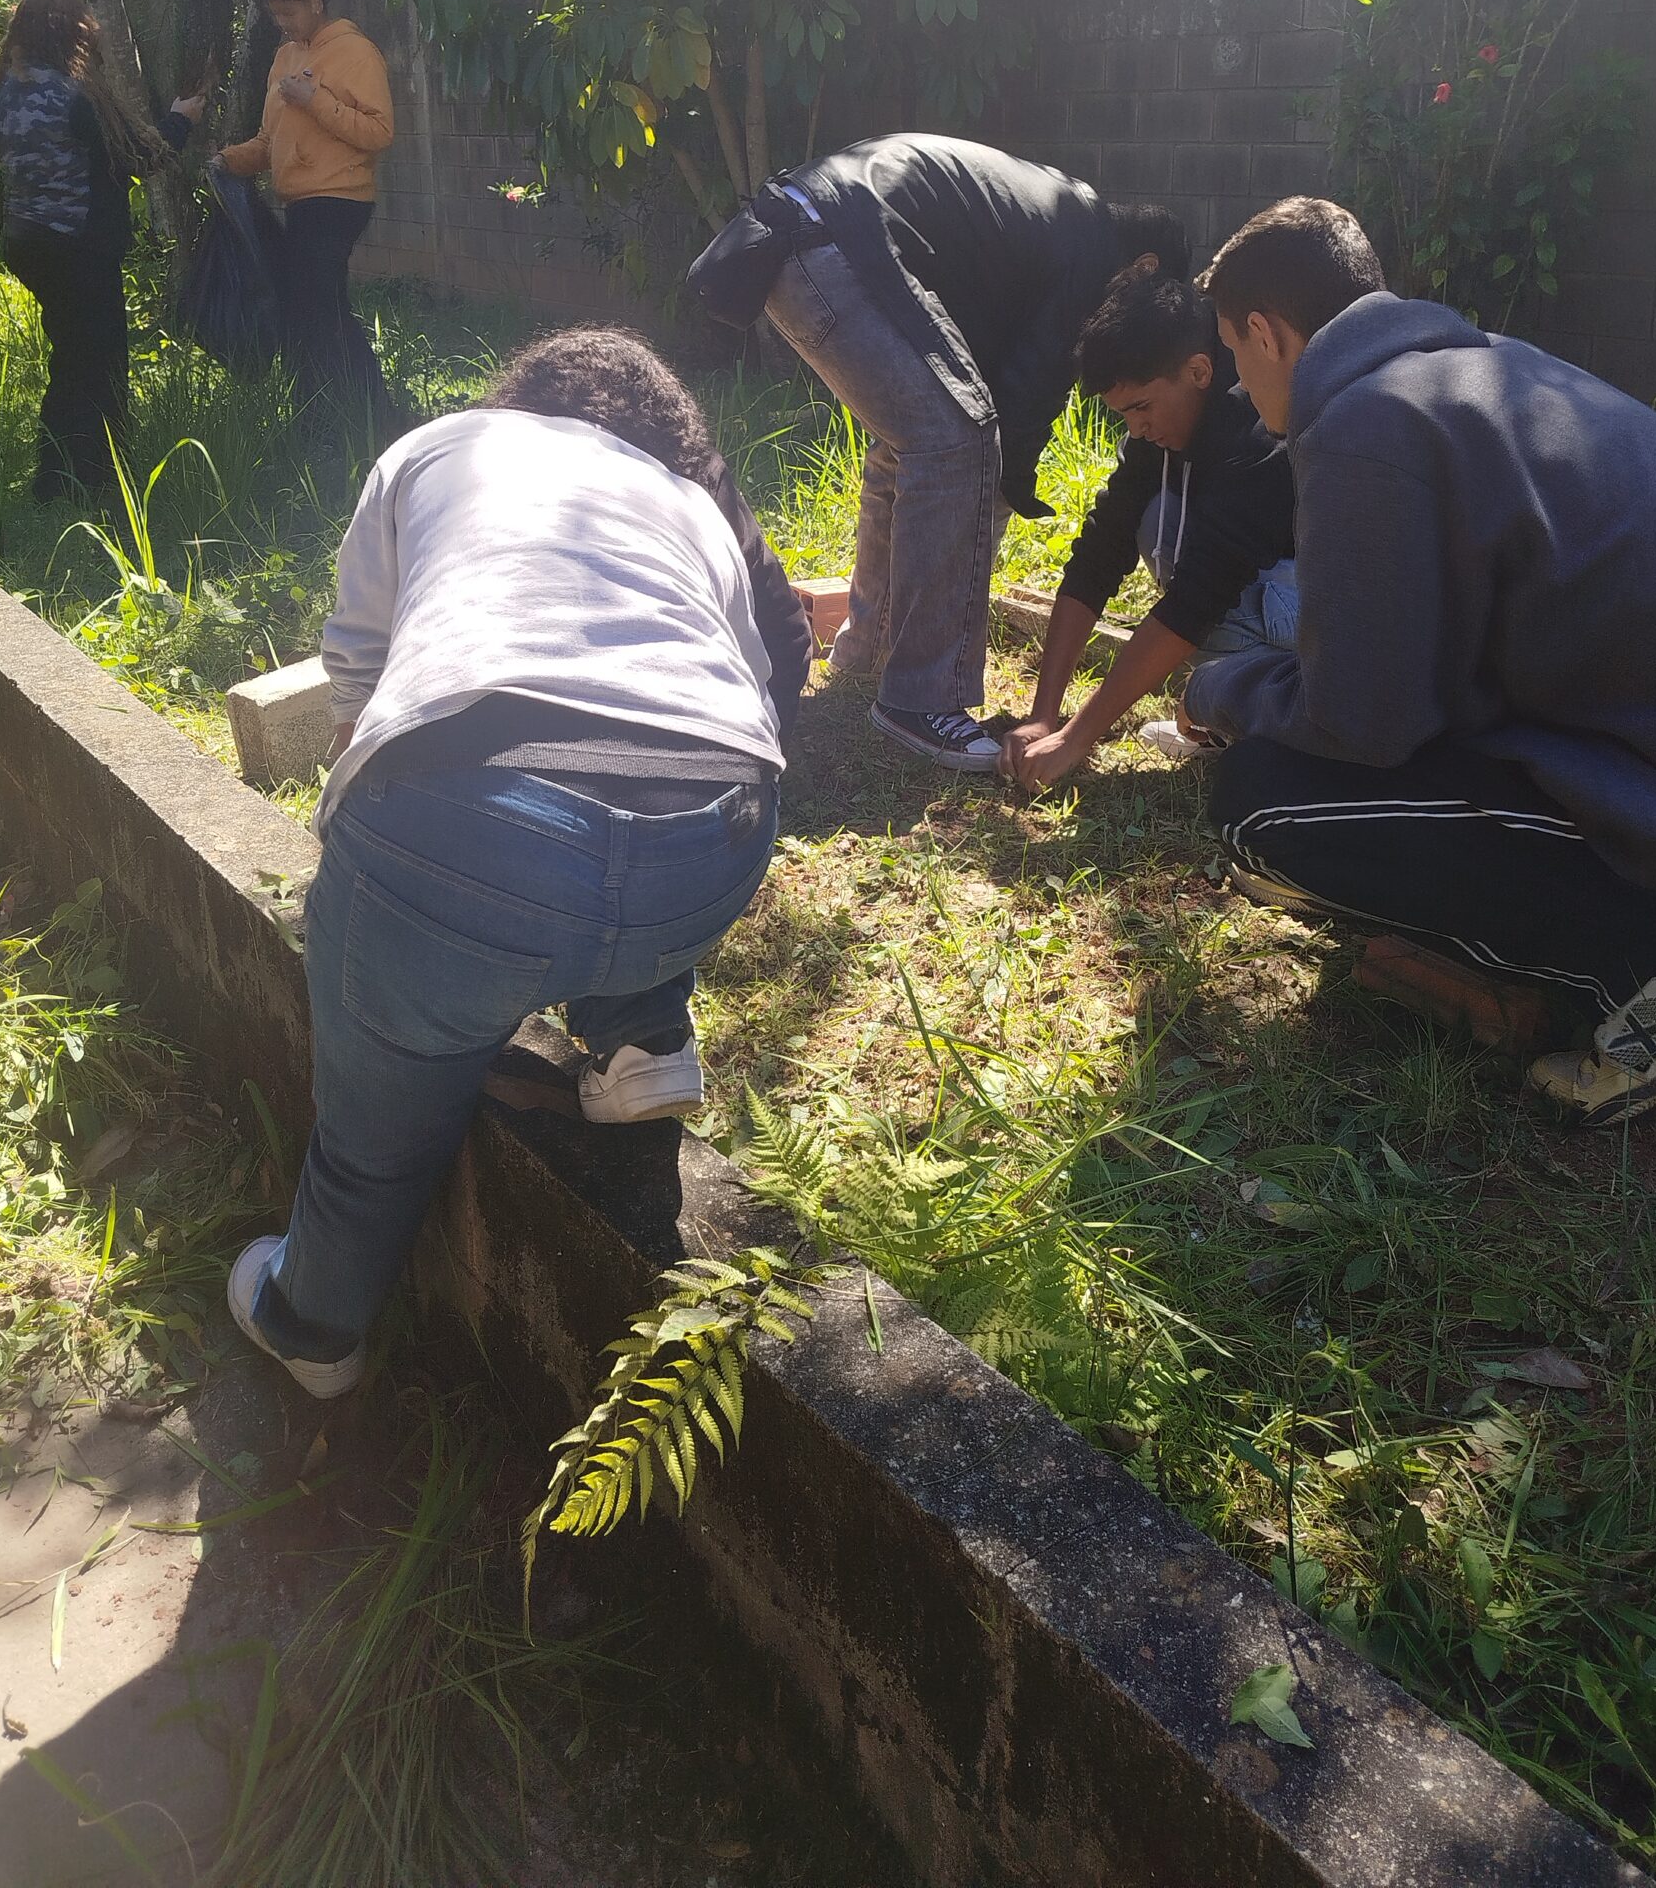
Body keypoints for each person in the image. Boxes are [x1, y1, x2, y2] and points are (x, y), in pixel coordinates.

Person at [1177, 195, 1656, 1129]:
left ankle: (1652, 967)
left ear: (1266, 333)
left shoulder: (1366, 423)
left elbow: (1362, 722)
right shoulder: (1485, 372)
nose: (1242, 392)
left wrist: (1217, 687)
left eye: (1235, 358)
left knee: (1264, 803)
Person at [228, 327, 813, 1397]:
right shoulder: (691, 502)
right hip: (715, 842)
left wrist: (374, 861)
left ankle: (309, 1326)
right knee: (620, 826)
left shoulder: (437, 447)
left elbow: (358, 666)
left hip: (463, 830)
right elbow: (753, 686)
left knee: (374, 1137)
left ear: (518, 398)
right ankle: (646, 1037)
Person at [688, 133, 1189, 773]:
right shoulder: (1089, 250)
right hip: (830, 242)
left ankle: (869, 650)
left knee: (916, 440)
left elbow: (987, 367)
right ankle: (921, 701)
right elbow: (1031, 382)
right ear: (1144, 266)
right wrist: (1005, 478)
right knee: (958, 441)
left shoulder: (1048, 225)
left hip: (803, 234)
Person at [1000, 263, 1296, 791]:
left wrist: (1075, 739)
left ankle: (1271, 714)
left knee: (1201, 579)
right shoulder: (1158, 426)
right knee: (1155, 516)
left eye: (1140, 407)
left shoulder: (1256, 432)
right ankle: (1231, 707)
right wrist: (1043, 715)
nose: (1135, 428)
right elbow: (1099, 553)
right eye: (1123, 414)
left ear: (1199, 372)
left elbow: (1196, 601)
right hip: (1248, 588)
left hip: (1317, 610)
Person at [0, 0, 203, 498]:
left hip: (28, 244)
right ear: (69, 36)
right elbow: (141, 156)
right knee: (101, 364)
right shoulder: (75, 96)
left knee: (70, 358)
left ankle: (56, 478)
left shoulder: (7, 91)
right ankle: (98, 479)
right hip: (80, 248)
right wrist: (181, 118)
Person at [218, 0, 393, 420]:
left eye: (288, 12)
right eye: (275, 14)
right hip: (299, 200)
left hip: (339, 199)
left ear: (315, 1)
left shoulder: (356, 52)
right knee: (313, 308)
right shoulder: (285, 57)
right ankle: (347, 412)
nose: (282, 23)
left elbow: (379, 132)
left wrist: (316, 101)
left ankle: (352, 413)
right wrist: (227, 161)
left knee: (314, 307)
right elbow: (268, 141)